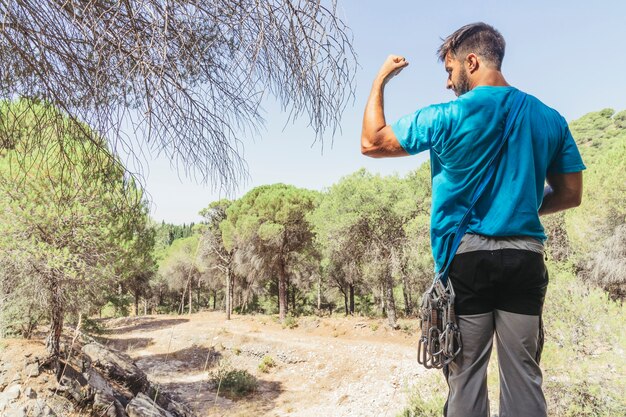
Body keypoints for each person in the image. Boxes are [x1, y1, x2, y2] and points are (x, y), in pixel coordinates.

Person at [360, 22, 585, 417]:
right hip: (524, 261)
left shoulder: (446, 116)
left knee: (464, 381)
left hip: (466, 263)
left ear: (472, 61)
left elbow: (372, 142)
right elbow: (570, 194)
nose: (448, 83)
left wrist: (381, 79)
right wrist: (519, 207)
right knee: (524, 379)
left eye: (449, 71)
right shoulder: (549, 118)